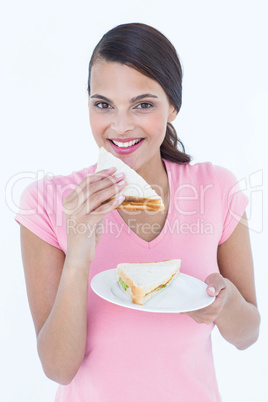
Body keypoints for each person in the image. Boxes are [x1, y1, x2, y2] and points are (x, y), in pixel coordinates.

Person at [15, 23, 260, 402]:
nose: (120, 125)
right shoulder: (47, 201)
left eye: (143, 104)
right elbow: (58, 368)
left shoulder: (218, 189)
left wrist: (223, 303)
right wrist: (79, 256)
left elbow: (247, 336)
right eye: (103, 105)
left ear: (173, 106)